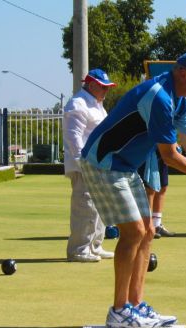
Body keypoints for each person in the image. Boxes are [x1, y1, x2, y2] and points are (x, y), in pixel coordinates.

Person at [79, 51, 186, 328]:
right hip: (103, 163)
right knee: (133, 231)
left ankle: (135, 305)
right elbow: (169, 155)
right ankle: (119, 311)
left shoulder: (183, 100)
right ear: (182, 73)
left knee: (148, 230)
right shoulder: (159, 97)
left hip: (126, 166)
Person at [63, 68, 116, 263]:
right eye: (103, 87)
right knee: (85, 206)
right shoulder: (78, 104)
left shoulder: (97, 104)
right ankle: (78, 249)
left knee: (99, 207)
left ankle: (95, 245)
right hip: (84, 165)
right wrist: (83, 162)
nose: (106, 91)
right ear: (92, 85)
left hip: (100, 163)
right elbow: (73, 136)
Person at [138, 146, 176, 239]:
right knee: (150, 188)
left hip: (162, 150)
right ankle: (147, 226)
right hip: (148, 150)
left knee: (163, 187)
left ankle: (157, 225)